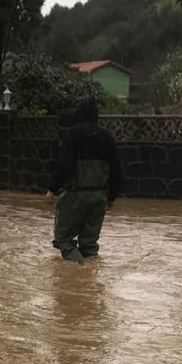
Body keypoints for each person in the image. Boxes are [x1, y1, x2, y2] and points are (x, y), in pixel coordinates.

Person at [47, 99, 123, 263]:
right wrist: (111, 197)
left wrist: (53, 188)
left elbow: (64, 164)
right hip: (99, 197)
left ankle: (79, 273)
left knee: (63, 240)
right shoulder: (107, 137)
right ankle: (89, 282)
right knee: (89, 245)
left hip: (75, 195)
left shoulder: (73, 134)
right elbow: (116, 169)